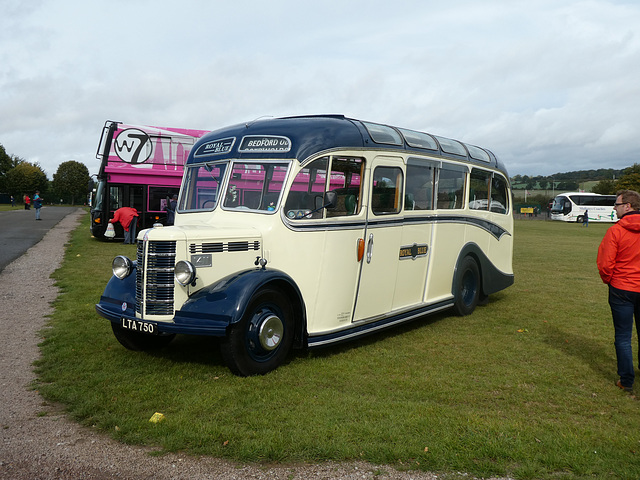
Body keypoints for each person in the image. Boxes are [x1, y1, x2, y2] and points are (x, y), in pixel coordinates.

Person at [596, 189, 640, 393]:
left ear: (628, 206)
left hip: (622, 288)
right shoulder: (616, 229)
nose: (614, 208)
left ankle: (626, 380)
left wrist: (609, 281)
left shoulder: (616, 230)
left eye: (617, 204)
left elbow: (605, 263)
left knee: (623, 336)